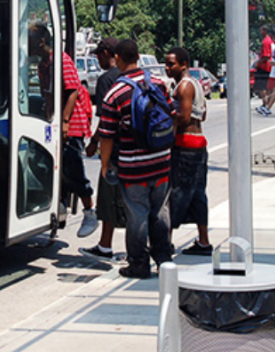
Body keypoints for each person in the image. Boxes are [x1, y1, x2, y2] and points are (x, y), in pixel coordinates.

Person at [98, 39, 175, 279]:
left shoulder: (115, 94)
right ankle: (164, 260)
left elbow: (106, 135)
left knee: (137, 214)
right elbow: (171, 114)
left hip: (134, 167)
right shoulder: (158, 83)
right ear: (139, 57)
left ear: (118, 58)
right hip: (161, 162)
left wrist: (105, 164)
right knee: (160, 212)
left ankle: (139, 264)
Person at [30, 24, 99, 236]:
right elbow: (48, 94)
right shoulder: (43, 64)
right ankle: (57, 205)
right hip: (54, 123)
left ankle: (90, 211)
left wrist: (65, 121)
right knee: (45, 166)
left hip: (71, 125)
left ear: (42, 41)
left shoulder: (61, 60)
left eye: (30, 39)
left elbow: (73, 91)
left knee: (73, 169)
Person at [81, 38, 127, 260]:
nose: (97, 60)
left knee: (109, 199)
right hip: (135, 148)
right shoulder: (130, 76)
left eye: (98, 55)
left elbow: (106, 120)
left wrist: (94, 143)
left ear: (107, 53)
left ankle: (106, 246)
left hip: (115, 149)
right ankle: (119, 245)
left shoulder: (106, 80)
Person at [164, 47, 212, 255]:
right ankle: (204, 241)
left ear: (183, 64)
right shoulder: (196, 84)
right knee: (198, 194)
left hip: (184, 146)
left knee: (175, 193)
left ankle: (165, 241)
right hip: (198, 144)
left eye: (171, 64)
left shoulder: (183, 87)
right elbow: (203, 114)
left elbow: (183, 118)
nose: (167, 68)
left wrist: (166, 117)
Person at [254, 25, 274, 115]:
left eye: (261, 30)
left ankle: (265, 104)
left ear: (265, 31)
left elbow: (266, 56)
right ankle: (267, 105)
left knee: (262, 87)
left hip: (264, 67)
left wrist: (258, 63)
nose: (260, 32)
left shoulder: (266, 41)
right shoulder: (270, 40)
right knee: (267, 86)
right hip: (268, 67)